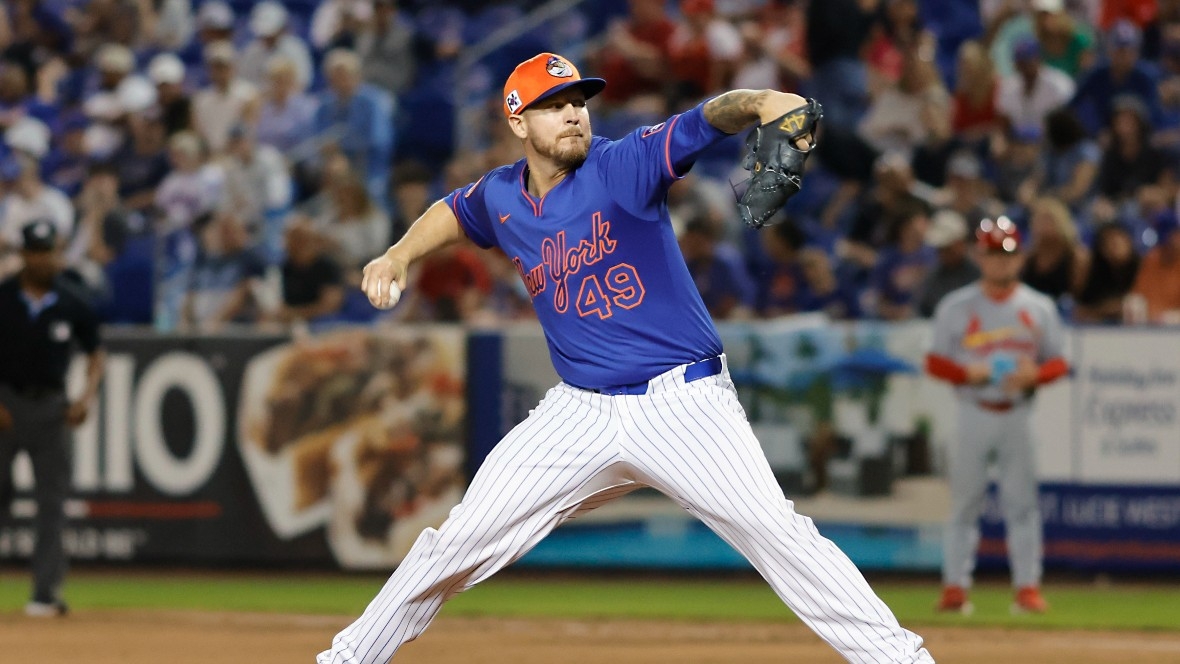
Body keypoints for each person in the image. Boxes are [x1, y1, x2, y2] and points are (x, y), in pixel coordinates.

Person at [321, 52, 935, 664]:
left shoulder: (623, 165)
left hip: (683, 405)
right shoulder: (502, 195)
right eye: (553, 106)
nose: (573, 114)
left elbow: (703, 120)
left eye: (578, 102)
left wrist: (759, 102)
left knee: (779, 535)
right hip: (579, 414)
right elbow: (454, 211)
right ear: (517, 122)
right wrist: (397, 255)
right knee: (456, 542)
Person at [926, 216, 1070, 616]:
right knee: (964, 505)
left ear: (1019, 257)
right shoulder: (957, 305)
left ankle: (1027, 589)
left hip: (1018, 412)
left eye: (1006, 253)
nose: (1000, 261)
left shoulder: (1037, 307)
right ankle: (955, 589)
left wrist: (1036, 375)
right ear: (979, 256)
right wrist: (965, 373)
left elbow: (1059, 362)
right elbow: (934, 362)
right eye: (992, 253)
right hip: (972, 410)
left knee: (1022, 505)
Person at [0, 220, 105, 617]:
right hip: (6, 407)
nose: (44, 260)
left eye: (50, 252)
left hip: (51, 409)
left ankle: (45, 593)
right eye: (37, 252)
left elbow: (96, 353)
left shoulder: (72, 300)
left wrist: (86, 397)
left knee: (52, 504)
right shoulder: (3, 297)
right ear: (24, 254)